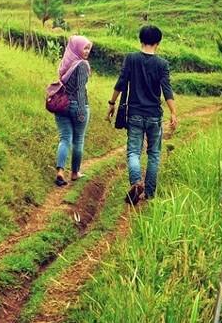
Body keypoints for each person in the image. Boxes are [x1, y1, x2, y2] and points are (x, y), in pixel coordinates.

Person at [108, 25, 177, 205]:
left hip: (135, 114)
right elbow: (167, 89)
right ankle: (149, 193)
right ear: (158, 43)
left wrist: (112, 103)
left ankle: (136, 182)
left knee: (133, 152)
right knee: (154, 154)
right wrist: (173, 113)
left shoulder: (131, 59)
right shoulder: (162, 64)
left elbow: (121, 82)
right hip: (155, 115)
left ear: (140, 40)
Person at [53, 34, 92, 186]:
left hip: (61, 105)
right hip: (77, 105)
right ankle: (75, 173)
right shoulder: (82, 65)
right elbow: (81, 90)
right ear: (77, 48)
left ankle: (60, 171)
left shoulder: (66, 62)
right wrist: (82, 110)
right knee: (78, 140)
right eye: (85, 48)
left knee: (64, 138)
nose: (87, 51)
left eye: (88, 48)